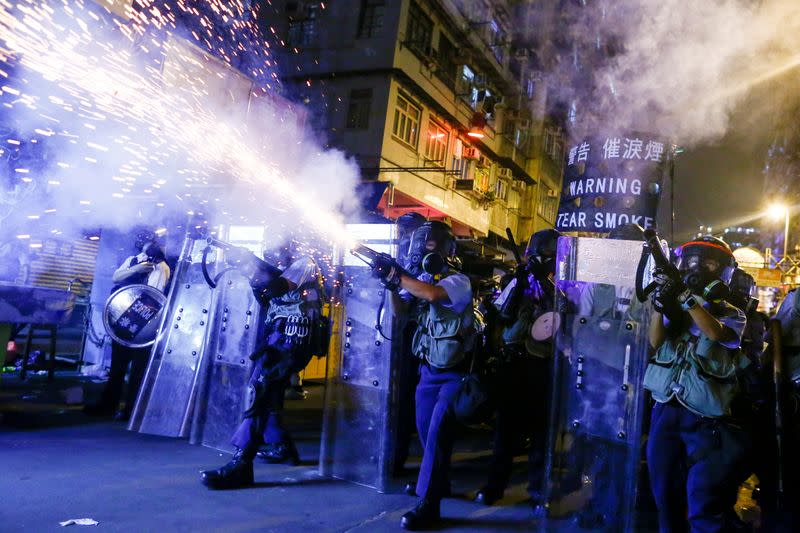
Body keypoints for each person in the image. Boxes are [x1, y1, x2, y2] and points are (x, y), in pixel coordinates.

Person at [643, 235, 751, 533]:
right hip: (665, 409)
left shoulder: (732, 313)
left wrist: (687, 299)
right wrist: (659, 307)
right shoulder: (677, 307)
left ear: (723, 271)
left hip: (705, 419)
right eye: (692, 260)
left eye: (710, 262)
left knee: (703, 500)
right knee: (664, 492)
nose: (699, 266)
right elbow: (655, 341)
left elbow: (716, 334)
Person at [371, 221, 474, 530]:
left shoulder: (459, 281)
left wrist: (399, 276)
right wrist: (392, 287)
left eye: (429, 247)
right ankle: (438, 484)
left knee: (438, 432)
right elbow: (401, 311)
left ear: (444, 251)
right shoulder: (420, 279)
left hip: (455, 375)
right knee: (426, 431)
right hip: (428, 372)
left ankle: (429, 504)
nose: (423, 254)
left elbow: (431, 295)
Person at [200, 243, 324, 489]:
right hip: (279, 337)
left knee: (260, 391)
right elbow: (266, 298)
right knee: (268, 393)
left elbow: (275, 287)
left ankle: (241, 463)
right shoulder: (284, 268)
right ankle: (280, 446)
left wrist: (250, 264)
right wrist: (250, 269)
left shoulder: (304, 263)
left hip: (291, 339)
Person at [474, 229, 560, 507]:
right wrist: (521, 281)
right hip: (513, 362)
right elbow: (504, 315)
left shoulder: (563, 284)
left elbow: (562, 312)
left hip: (543, 364)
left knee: (540, 432)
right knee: (505, 431)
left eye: (546, 255)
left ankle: (538, 490)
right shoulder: (516, 280)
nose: (541, 260)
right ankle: (494, 486)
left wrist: (544, 282)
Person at [84, 230, 170, 420]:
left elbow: (154, 293)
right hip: (122, 319)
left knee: (138, 370)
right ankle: (108, 406)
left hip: (145, 324)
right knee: (117, 367)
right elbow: (117, 277)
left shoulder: (161, 267)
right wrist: (137, 269)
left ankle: (131, 410)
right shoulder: (132, 260)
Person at [393, 212, 427, 477]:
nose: (403, 239)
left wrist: (396, 281)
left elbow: (407, 306)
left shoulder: (427, 267)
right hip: (396, 339)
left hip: (417, 341)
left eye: (407, 233)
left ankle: (398, 456)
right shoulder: (401, 262)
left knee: (407, 401)